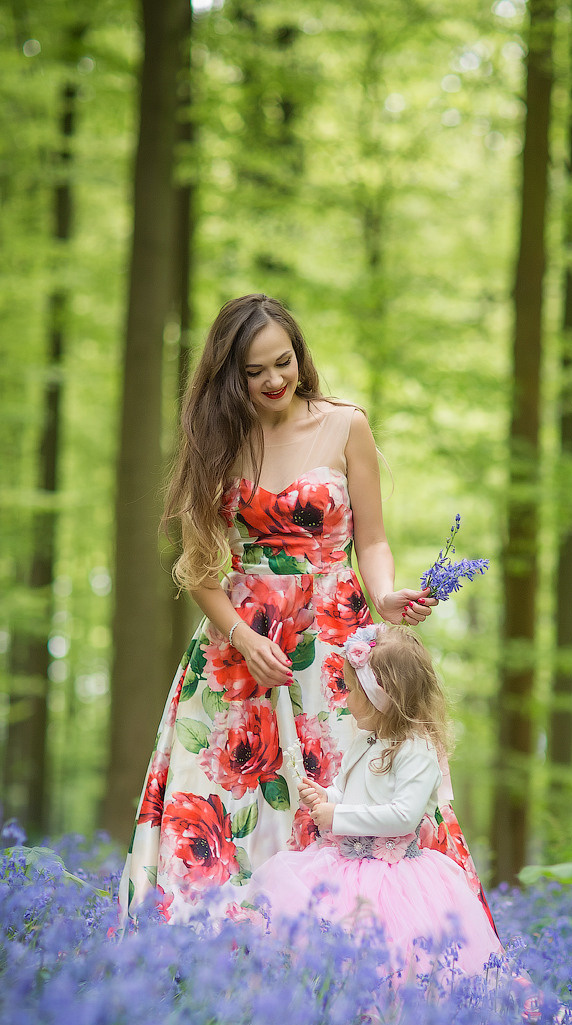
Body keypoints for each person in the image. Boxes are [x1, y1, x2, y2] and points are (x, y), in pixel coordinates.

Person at [118, 293, 494, 934]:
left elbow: (371, 539)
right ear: (228, 377)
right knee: (225, 803)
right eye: (255, 371)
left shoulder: (345, 425)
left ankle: (348, 961)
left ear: (300, 356)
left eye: (283, 362)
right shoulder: (216, 445)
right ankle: (213, 965)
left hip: (337, 645)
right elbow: (200, 573)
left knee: (344, 796)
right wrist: (241, 638)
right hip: (240, 658)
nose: (273, 381)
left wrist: (384, 597)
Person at [240, 625, 502, 980]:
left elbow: (404, 817)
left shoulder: (416, 750)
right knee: (333, 950)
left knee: (393, 960)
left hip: (395, 877)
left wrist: (337, 815)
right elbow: (349, 791)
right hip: (343, 863)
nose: (345, 699)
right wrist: (326, 796)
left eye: (351, 689)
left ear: (382, 695)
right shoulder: (365, 742)